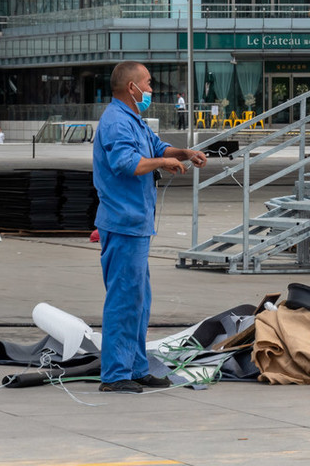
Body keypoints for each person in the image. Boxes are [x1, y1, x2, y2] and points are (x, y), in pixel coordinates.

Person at [92, 61, 207, 393]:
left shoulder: (133, 120)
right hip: (123, 223)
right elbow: (127, 163)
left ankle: (136, 367)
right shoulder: (115, 122)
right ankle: (115, 375)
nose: (152, 90)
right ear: (132, 88)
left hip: (137, 224)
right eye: (148, 83)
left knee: (138, 301)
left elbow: (156, 148)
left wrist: (182, 153)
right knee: (123, 300)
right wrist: (163, 163)